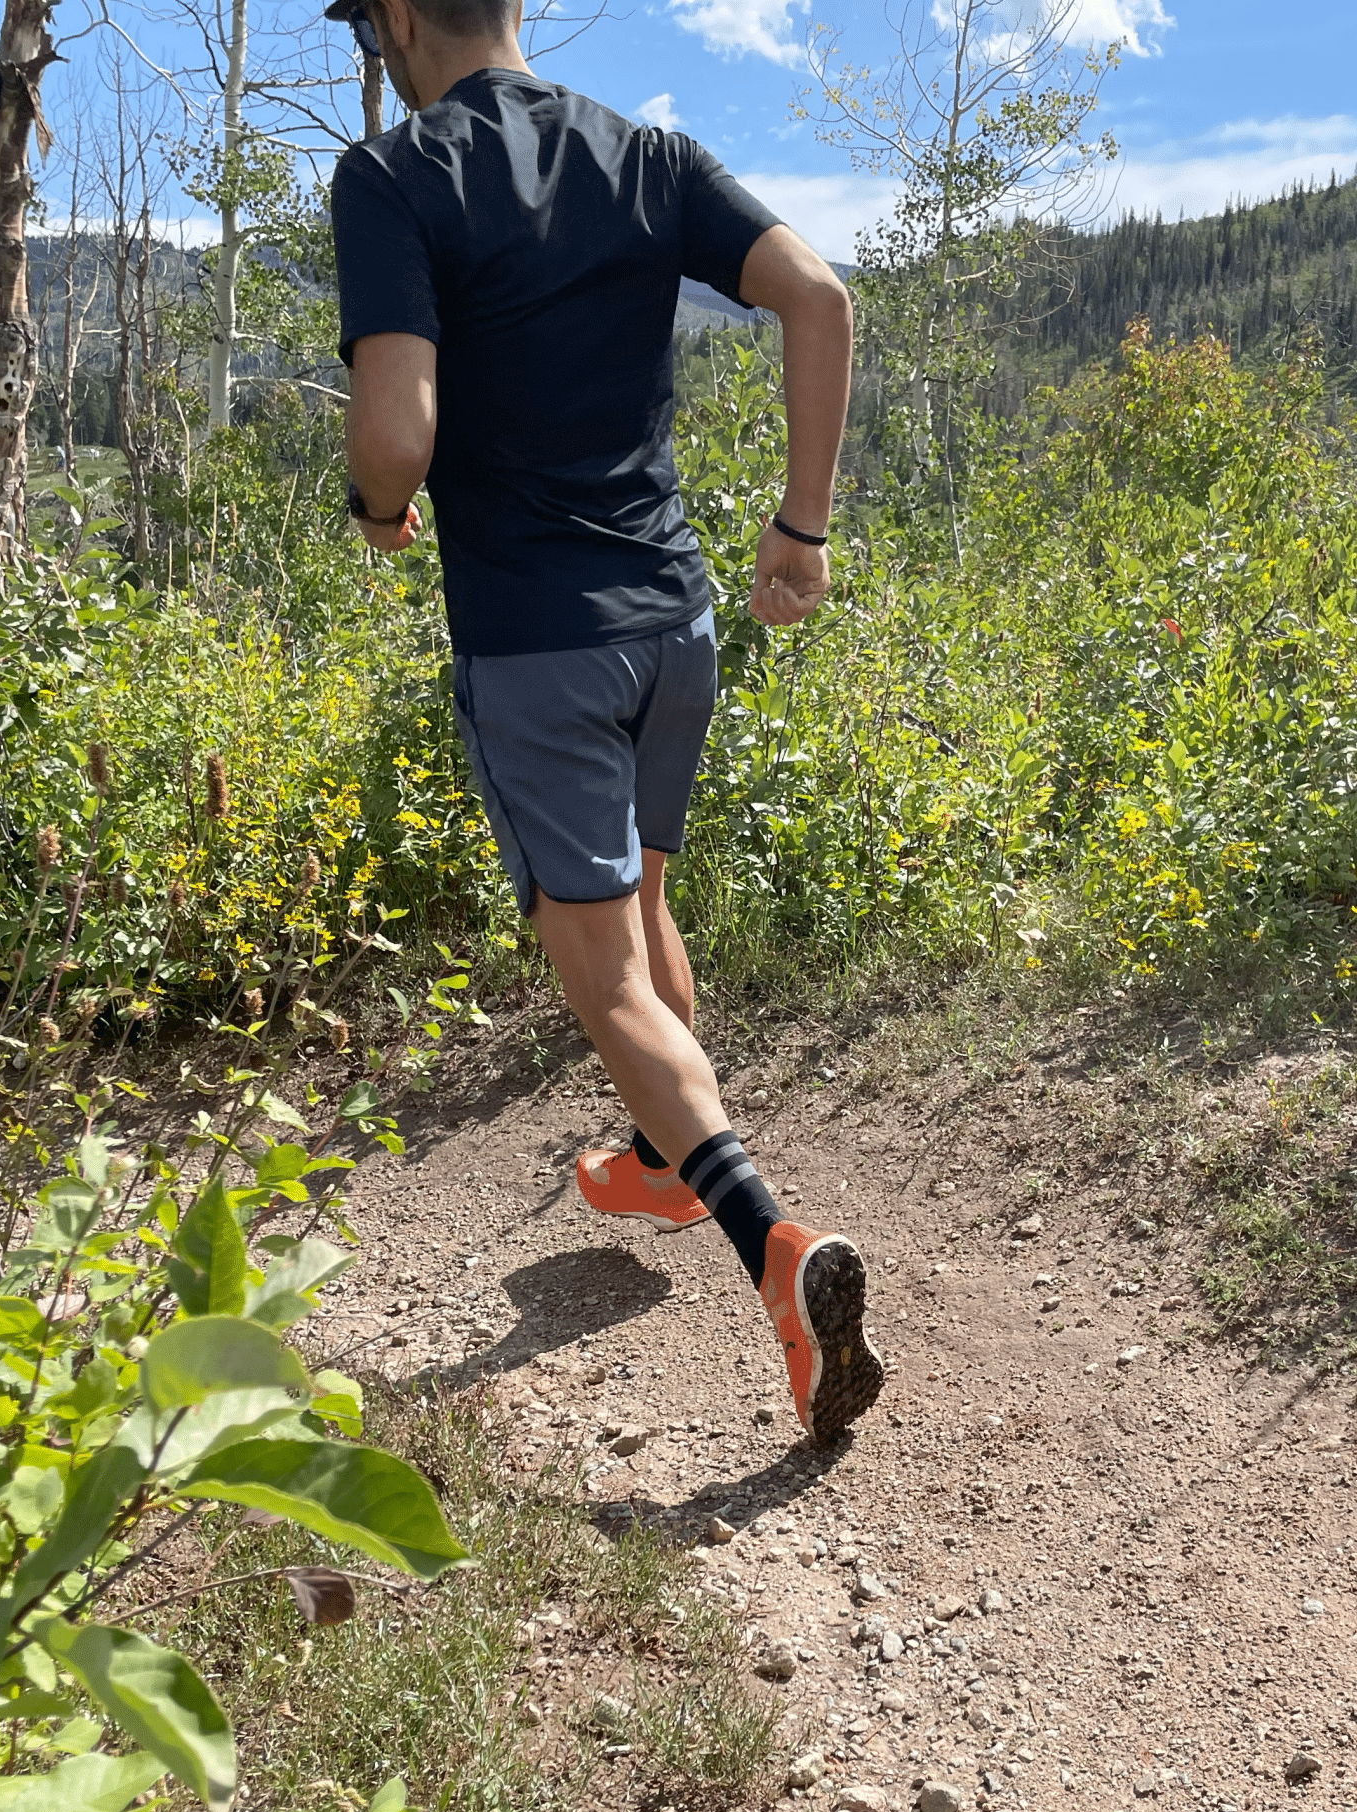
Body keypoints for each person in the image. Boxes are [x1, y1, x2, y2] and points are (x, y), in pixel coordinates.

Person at [323, 0, 885, 1442]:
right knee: (639, 893)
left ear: (391, 18)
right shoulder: (647, 153)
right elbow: (817, 296)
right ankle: (653, 1154)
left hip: (538, 642)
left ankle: (775, 1250)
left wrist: (380, 507)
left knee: (603, 979)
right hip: (673, 620)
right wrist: (799, 533)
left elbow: (398, 430)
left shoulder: (395, 177)